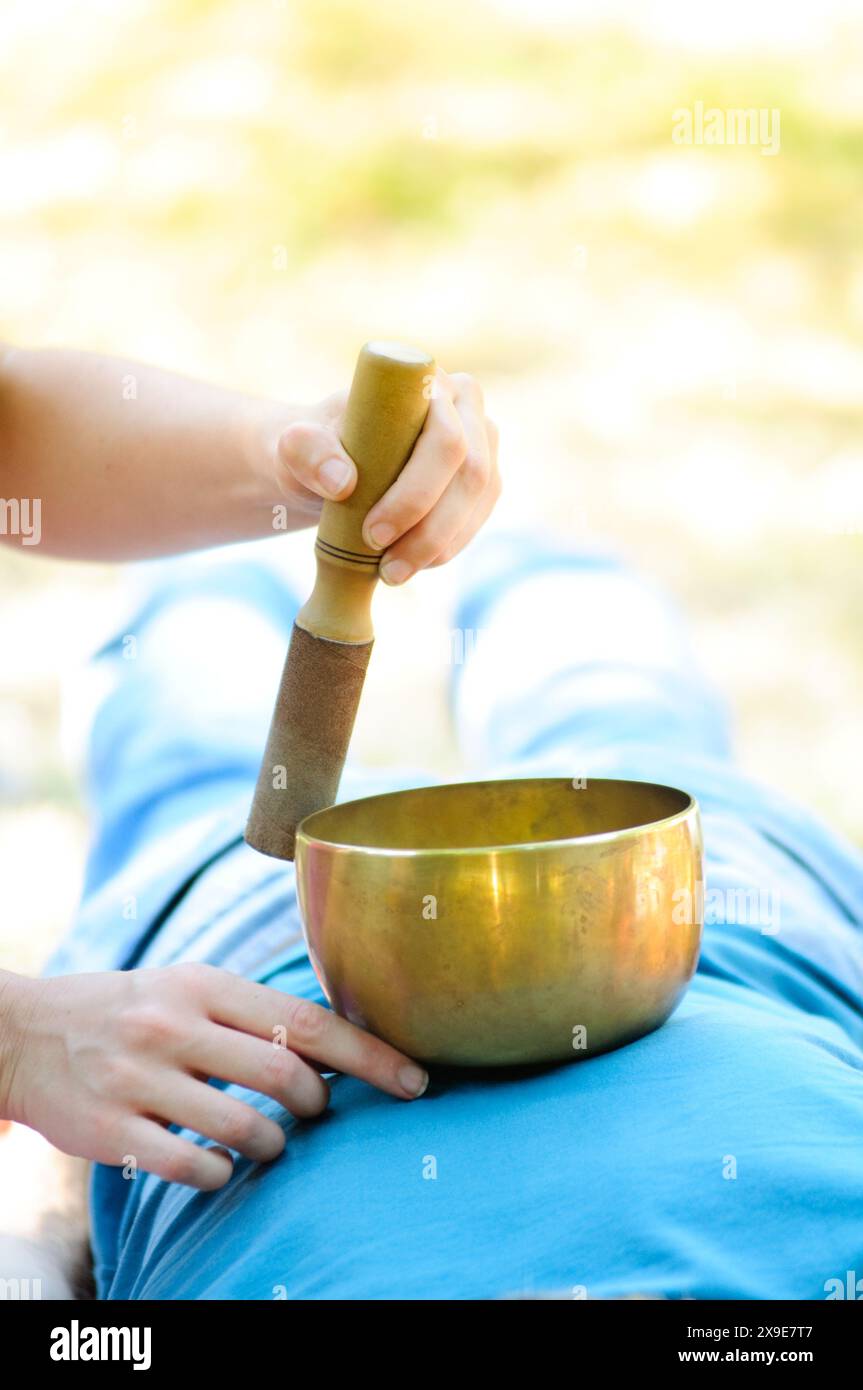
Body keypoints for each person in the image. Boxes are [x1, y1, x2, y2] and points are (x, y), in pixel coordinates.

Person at [4, 347, 863, 1300]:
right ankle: (533, 553)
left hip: (242, 978)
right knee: (611, 700)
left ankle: (202, 583)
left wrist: (281, 457)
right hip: (709, 927)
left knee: (191, 737)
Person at [0, 341, 501, 1191]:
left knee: (187, 695)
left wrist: (284, 456)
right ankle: (551, 576)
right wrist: (17, 1040)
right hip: (193, 876)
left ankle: (202, 592)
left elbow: (10, 427)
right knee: (183, 723)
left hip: (207, 862)